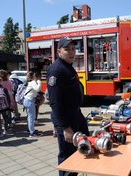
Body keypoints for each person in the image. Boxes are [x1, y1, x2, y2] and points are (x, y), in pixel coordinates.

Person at [46, 37, 89, 176]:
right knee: (68, 159)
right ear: (59, 51)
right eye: (67, 49)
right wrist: (64, 127)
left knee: (84, 149)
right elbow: (55, 102)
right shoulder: (56, 71)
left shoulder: (68, 66)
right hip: (67, 121)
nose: (71, 52)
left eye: (73, 49)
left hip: (76, 116)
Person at [23, 71, 42, 137]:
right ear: (37, 77)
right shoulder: (33, 82)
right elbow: (37, 89)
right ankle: (32, 133)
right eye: (40, 77)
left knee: (31, 117)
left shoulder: (33, 82)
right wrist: (39, 82)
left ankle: (30, 129)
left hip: (29, 101)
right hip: (29, 101)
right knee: (31, 117)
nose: (41, 78)